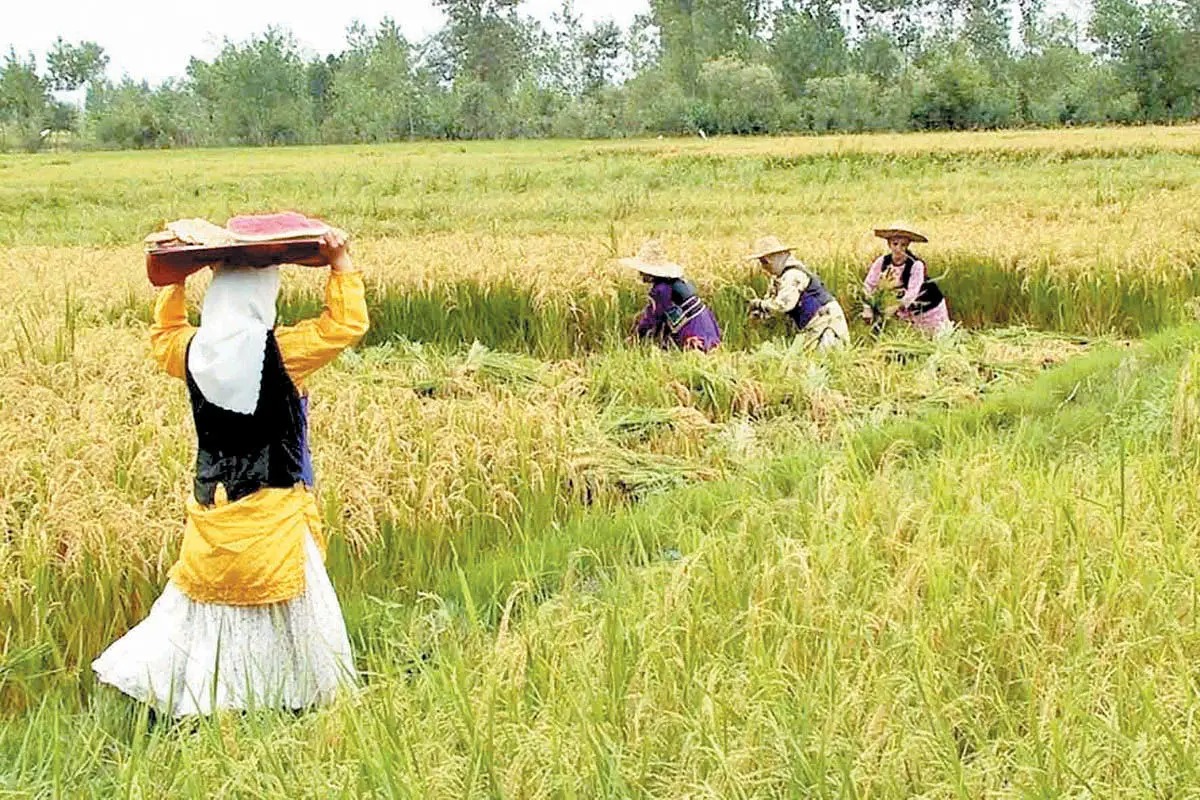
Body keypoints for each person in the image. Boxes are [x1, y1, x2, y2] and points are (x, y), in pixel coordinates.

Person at [92, 230, 369, 717]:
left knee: (209, 614)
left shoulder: (191, 351)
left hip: (213, 510)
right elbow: (344, 325)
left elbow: (163, 337)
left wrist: (174, 284)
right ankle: (282, 701)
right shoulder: (282, 352)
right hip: (274, 514)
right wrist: (340, 262)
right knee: (291, 617)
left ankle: (211, 700)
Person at [746, 235, 849, 350]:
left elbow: (783, 305)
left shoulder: (793, 275)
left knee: (826, 358)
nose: (764, 267)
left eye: (765, 262)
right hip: (812, 322)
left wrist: (759, 305)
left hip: (827, 320)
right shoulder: (778, 278)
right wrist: (759, 314)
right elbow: (770, 301)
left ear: (777, 257)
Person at [621, 240, 721, 353]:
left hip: (694, 328)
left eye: (643, 271)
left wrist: (636, 336)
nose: (640, 274)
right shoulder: (675, 282)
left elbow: (653, 318)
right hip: (706, 323)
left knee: (695, 354)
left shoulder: (661, 290)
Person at [862, 222, 951, 335]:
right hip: (907, 313)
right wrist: (867, 307)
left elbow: (912, 294)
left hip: (930, 309)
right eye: (895, 244)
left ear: (907, 245)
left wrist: (894, 307)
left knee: (936, 339)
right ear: (889, 244)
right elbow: (869, 284)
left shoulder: (916, 265)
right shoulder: (882, 262)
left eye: (903, 245)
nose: (898, 249)